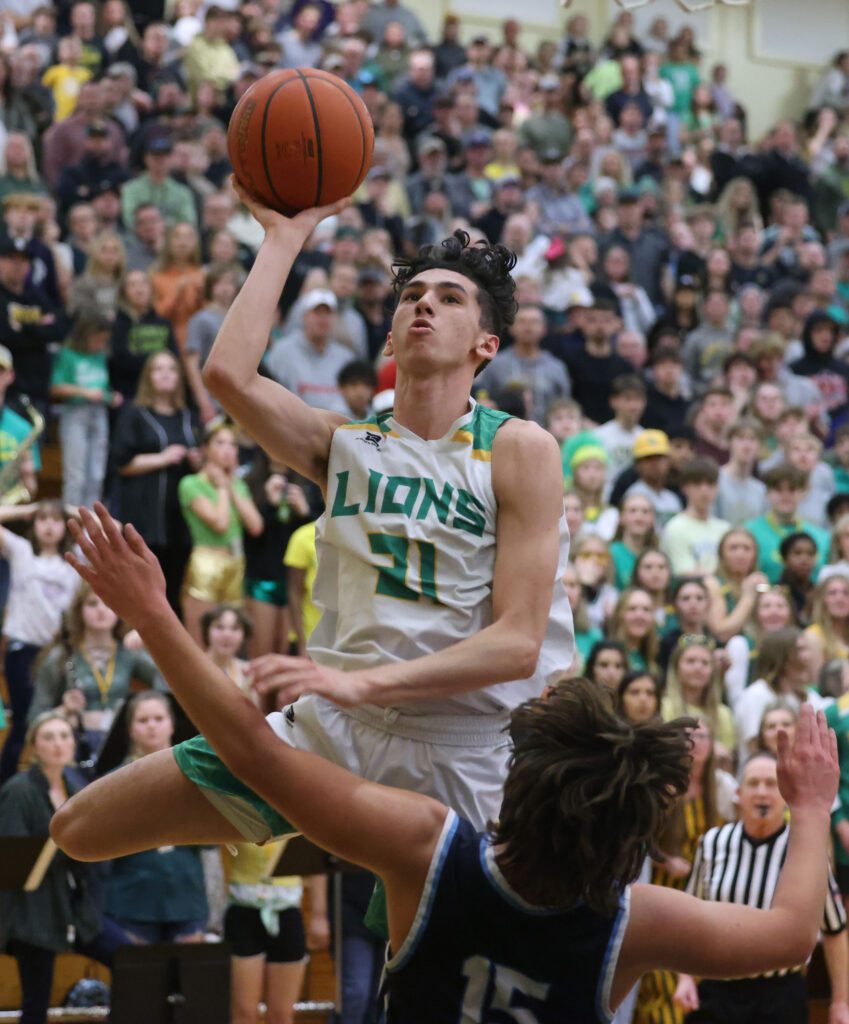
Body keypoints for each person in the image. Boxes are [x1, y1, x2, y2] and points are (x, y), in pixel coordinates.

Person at [54, 506, 844, 1024]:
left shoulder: (429, 848)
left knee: (77, 828)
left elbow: (255, 749)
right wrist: (812, 809)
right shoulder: (631, 918)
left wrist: (154, 612)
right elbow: (787, 934)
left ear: (519, 784)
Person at [51, 199, 573, 913]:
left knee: (429, 984)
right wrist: (286, 236)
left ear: (484, 344)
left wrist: (365, 684)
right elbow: (228, 376)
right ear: (389, 334)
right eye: (411, 296)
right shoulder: (343, 445)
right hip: (332, 732)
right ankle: (314, 820)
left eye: (449, 299)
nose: (423, 306)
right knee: (80, 827)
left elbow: (516, 645)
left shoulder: (519, 448)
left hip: (462, 749)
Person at [674, 751, 849, 1024]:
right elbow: (686, 918)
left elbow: (835, 931)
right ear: (739, 793)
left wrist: (840, 1003)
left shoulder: (806, 853)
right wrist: (684, 978)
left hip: (779, 994)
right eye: (754, 784)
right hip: (717, 988)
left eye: (771, 784)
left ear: (786, 796)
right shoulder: (712, 842)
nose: (762, 792)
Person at [0, 711, 132, 1024]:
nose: (59, 744)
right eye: (49, 737)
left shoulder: (77, 783)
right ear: (33, 747)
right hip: (33, 915)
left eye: (65, 736)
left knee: (130, 960)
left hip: (77, 911)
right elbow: (14, 855)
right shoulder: (18, 791)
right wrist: (69, 844)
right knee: (36, 1005)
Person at [104, 692, 208, 944]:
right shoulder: (113, 781)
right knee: (141, 979)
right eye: (143, 720)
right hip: (133, 898)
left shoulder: (197, 773)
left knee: (192, 979)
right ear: (130, 729)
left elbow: (212, 838)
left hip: (186, 895)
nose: (151, 725)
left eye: (159, 718)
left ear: (172, 723)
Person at [28, 582, 163, 763]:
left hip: (119, 744)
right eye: (92, 604)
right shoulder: (61, 655)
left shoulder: (129, 652)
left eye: (108, 604)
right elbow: (35, 718)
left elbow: (170, 682)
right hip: (74, 746)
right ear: (79, 611)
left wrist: (150, 641)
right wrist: (63, 710)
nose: (101, 610)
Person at [109, 351, 200, 615]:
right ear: (148, 376)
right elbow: (121, 463)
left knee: (174, 589)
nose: (165, 374)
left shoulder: (188, 416)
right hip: (145, 512)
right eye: (158, 369)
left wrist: (196, 459)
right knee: (143, 589)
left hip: (181, 518)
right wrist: (162, 458)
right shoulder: (134, 413)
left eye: (171, 369)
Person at [0, 502, 79, 783]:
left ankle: (57, 784)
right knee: (23, 719)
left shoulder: (74, 559)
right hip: (22, 648)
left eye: (56, 520)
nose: (48, 525)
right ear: (34, 524)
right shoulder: (22, 552)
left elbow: (115, 532)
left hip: (58, 652)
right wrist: (28, 509)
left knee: (58, 719)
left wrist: (72, 511)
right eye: (42, 519)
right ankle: (7, 785)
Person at [178, 420, 263, 644]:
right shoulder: (191, 484)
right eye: (220, 443)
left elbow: (255, 525)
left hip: (236, 562)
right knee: (199, 641)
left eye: (233, 445)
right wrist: (222, 488)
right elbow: (220, 524)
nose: (228, 450)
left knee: (232, 640)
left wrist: (230, 485)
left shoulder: (238, 485)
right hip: (207, 563)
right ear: (205, 449)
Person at [50, 310, 122, 509]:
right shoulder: (68, 354)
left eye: (104, 341)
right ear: (85, 335)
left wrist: (110, 396)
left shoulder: (99, 356)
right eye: (97, 340)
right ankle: (72, 522)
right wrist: (85, 392)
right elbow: (56, 387)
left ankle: (92, 523)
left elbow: (102, 388)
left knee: (97, 473)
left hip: (99, 412)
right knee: (76, 474)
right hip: (75, 413)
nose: (100, 345)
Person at [660, 458, 729, 577]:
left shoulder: (725, 528)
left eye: (710, 484)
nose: (704, 491)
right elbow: (684, 573)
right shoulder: (675, 528)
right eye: (697, 484)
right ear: (684, 488)